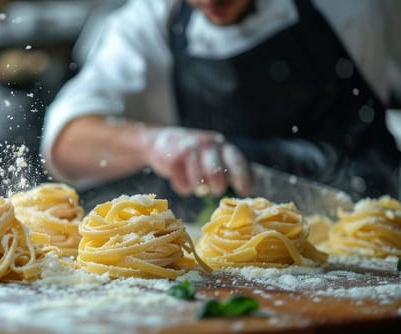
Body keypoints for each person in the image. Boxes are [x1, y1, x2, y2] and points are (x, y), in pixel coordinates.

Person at [41, 0, 401, 207]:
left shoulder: (353, 8)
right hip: (231, 248)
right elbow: (65, 140)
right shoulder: (150, 23)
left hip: (376, 226)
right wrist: (154, 144)